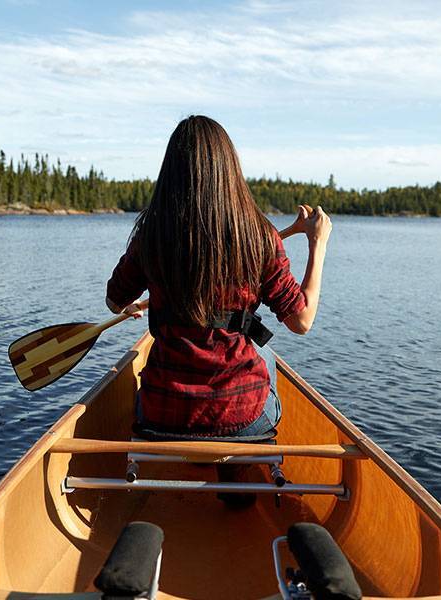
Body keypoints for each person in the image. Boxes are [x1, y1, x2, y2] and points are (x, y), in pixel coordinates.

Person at [105, 115, 332, 439]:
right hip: (242, 417)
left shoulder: (151, 235)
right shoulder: (258, 237)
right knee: (264, 352)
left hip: (160, 414)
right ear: (229, 170)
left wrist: (142, 296)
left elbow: (114, 301)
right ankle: (239, 469)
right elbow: (302, 321)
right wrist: (317, 243)